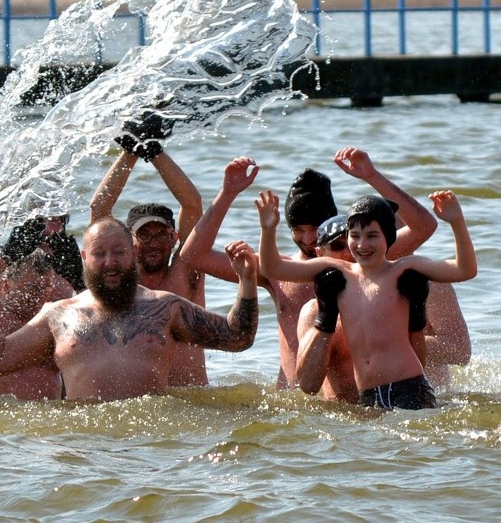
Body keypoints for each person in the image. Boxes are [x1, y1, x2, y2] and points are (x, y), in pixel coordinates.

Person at [179, 148, 439, 388]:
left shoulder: (360, 260)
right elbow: (193, 255)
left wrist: (372, 176)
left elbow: (424, 226)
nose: (307, 240)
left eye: (315, 230)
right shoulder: (279, 270)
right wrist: (228, 193)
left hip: (355, 402)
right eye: (298, 231)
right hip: (296, 402)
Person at [0, 216, 258, 403]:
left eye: (119, 252)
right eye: (100, 254)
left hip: (152, 440)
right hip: (84, 444)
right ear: (85, 256)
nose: (110, 263)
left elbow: (237, 337)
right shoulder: (58, 316)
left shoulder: (165, 307)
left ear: (133, 252)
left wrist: (247, 280)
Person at [257, 189, 477, 410]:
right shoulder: (339, 271)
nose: (362, 245)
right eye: (355, 236)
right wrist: (268, 230)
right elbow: (272, 267)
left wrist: (457, 222)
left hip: (409, 388)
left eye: (372, 236)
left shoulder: (404, 269)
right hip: (369, 396)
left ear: (389, 238)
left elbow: (465, 270)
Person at [296, 214, 473, 401]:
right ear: (319, 254)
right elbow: (308, 386)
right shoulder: (314, 311)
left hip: (417, 408)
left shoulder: (419, 284)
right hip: (352, 419)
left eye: (353, 243)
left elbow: (460, 352)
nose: (351, 252)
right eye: (338, 246)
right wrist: (327, 316)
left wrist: (393, 338)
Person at [90, 111, 206, 386]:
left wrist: (154, 151)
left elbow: (192, 204)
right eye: (145, 236)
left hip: (194, 403)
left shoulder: (187, 270)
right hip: (140, 403)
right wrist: (129, 151)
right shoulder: (116, 281)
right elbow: (99, 210)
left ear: (175, 238)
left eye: (161, 235)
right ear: (129, 243)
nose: (154, 243)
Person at [0, 218, 75, 400]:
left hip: (48, 415)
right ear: (5, 286)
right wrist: (4, 259)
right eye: (33, 289)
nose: (40, 296)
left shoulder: (50, 317)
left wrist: (80, 281)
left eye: (46, 289)